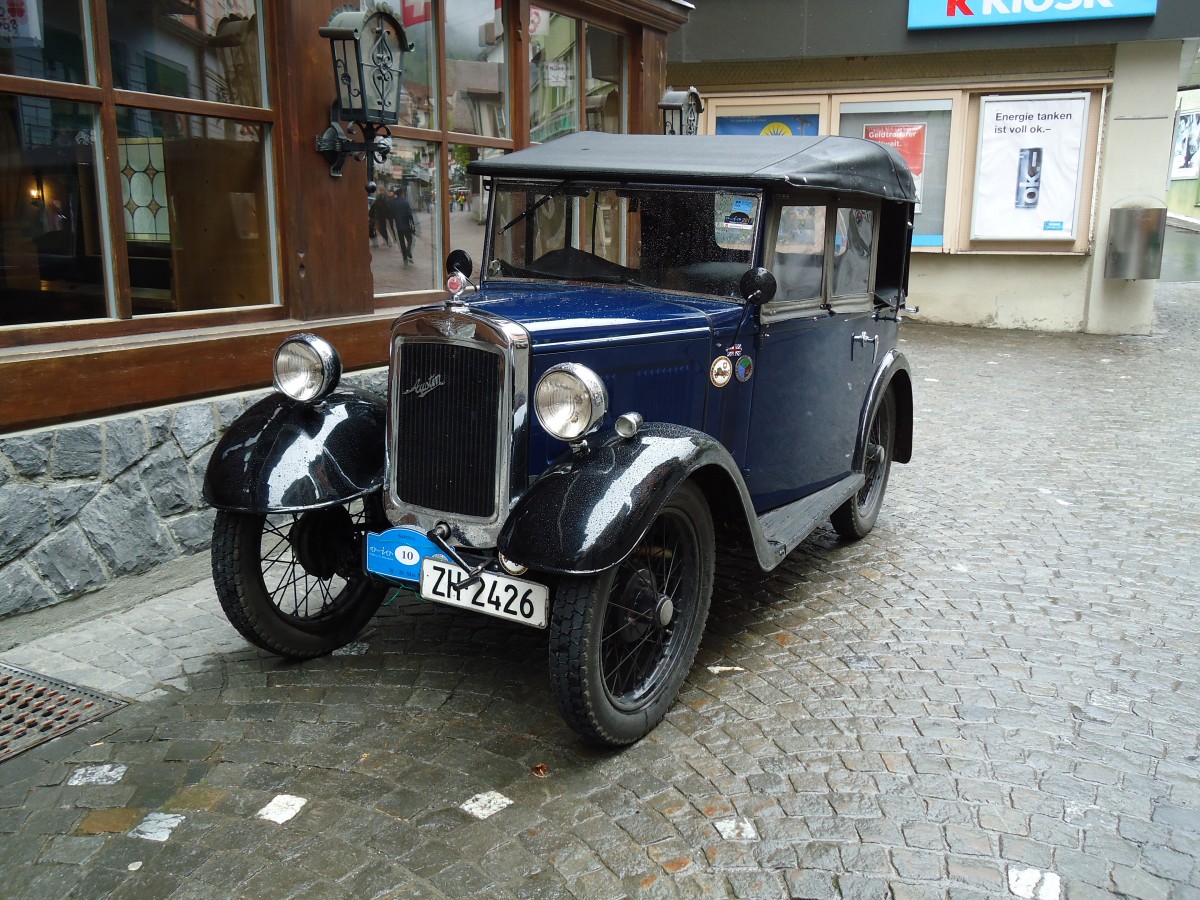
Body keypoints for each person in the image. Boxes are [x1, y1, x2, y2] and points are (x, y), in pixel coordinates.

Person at [391, 189, 416, 264]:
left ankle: (405, 256)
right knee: (410, 239)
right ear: (402, 193)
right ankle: (408, 252)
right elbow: (409, 214)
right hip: (406, 224)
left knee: (401, 241)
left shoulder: (393, 202)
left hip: (398, 225)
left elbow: (391, 213)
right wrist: (412, 223)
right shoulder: (405, 202)